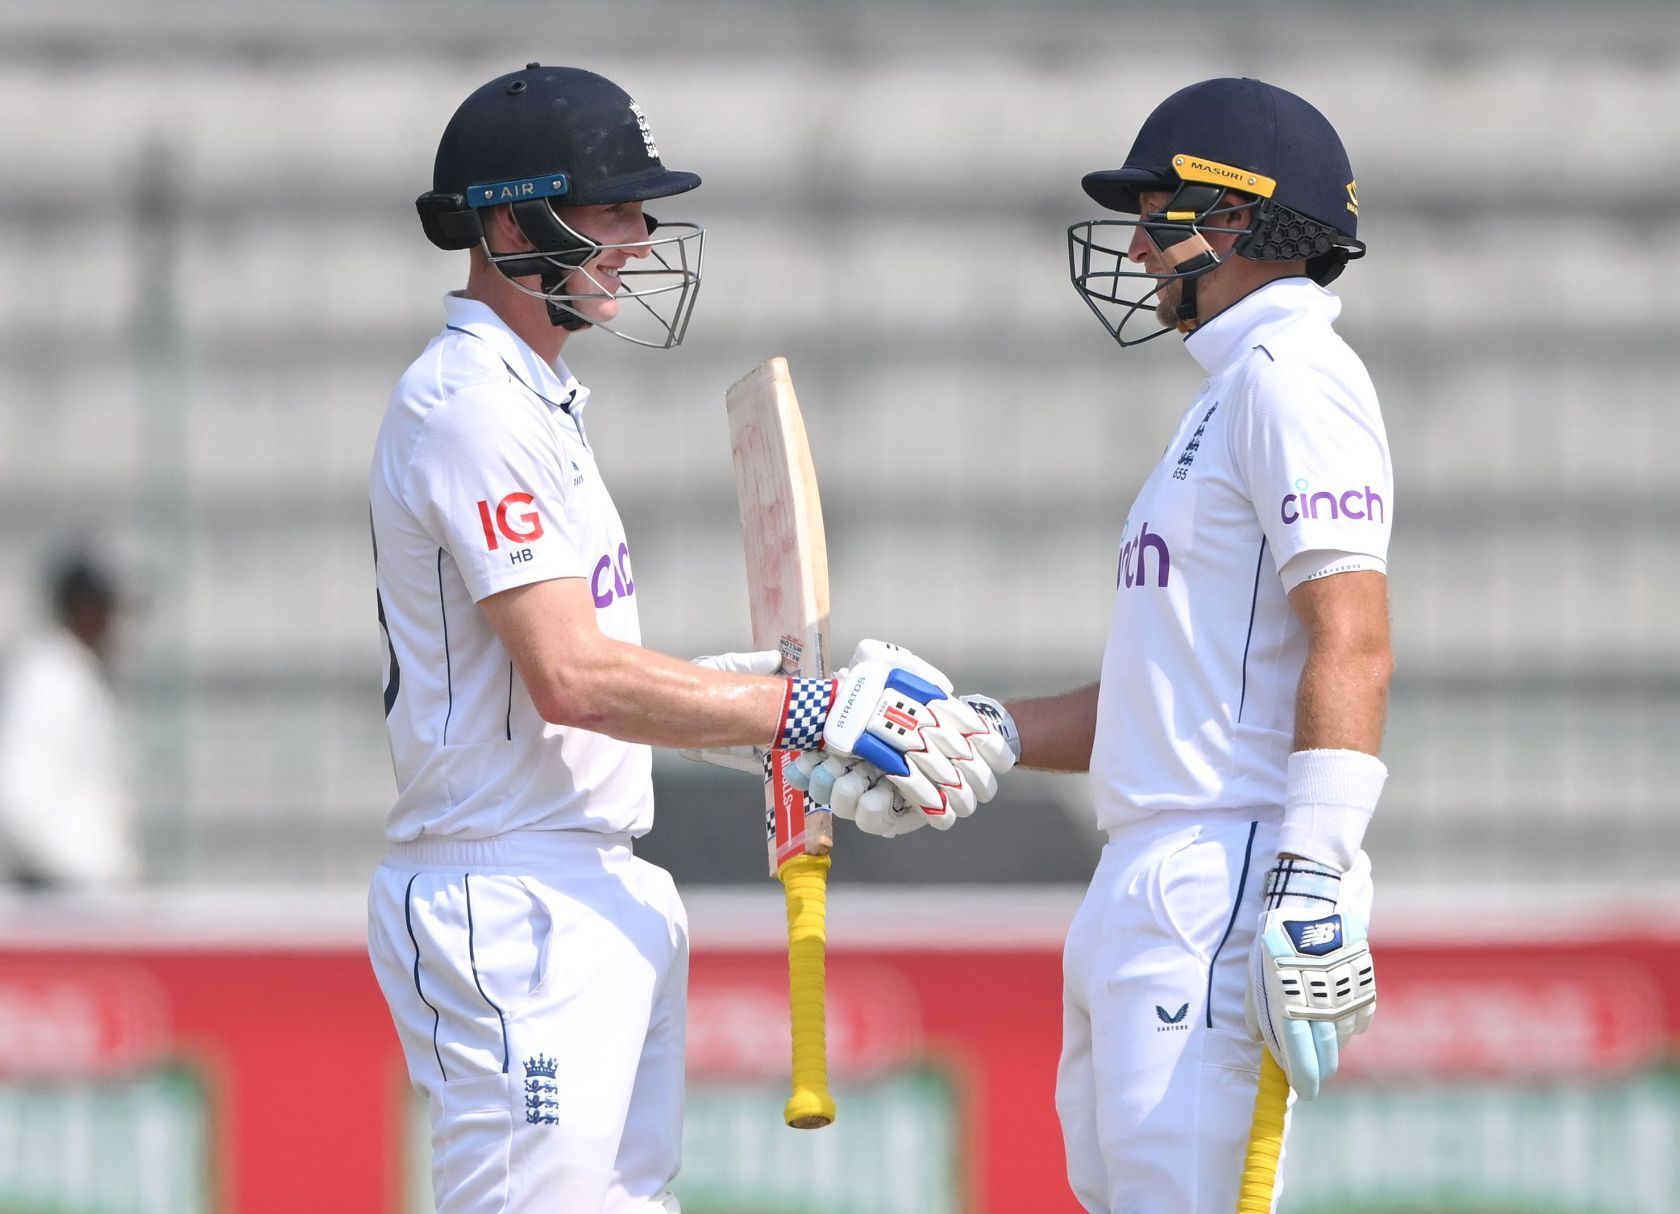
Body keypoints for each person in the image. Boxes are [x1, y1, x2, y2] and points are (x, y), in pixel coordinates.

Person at [366, 64, 1009, 1214]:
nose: (641, 236)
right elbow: (570, 676)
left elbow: (561, 677)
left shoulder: (533, 401)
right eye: (611, 208)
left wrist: (738, 700)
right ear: (511, 222)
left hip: (586, 877)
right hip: (510, 893)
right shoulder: (466, 405)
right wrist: (802, 712)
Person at [794, 77, 1393, 1212]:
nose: (1135, 242)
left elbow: (1355, 640)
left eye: (1158, 209)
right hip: (1151, 872)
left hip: (1222, 877)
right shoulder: (1225, 397)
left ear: (1236, 217)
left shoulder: (1295, 377)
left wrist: (1315, 875)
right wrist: (991, 729)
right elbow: (1171, 696)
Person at [0, 552, 139, 891]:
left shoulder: (70, 677)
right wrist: (90, 873)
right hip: (62, 897)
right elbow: (18, 797)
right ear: (85, 608)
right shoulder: (50, 682)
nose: (117, 624)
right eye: (110, 608)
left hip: (77, 893)